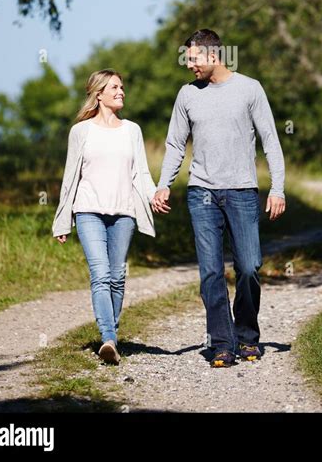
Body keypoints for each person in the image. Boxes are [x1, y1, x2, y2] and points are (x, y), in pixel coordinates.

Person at [152, 29, 286, 367]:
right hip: (201, 193)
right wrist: (163, 184)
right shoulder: (187, 95)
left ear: (213, 55)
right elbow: (174, 145)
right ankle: (223, 343)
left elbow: (271, 140)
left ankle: (247, 336)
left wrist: (278, 188)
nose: (189, 66)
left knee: (249, 267)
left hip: (242, 191)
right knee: (211, 273)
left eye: (193, 59)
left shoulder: (249, 89)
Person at [52, 68, 156, 365]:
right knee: (100, 274)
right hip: (88, 211)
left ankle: (111, 334)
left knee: (118, 276)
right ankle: (108, 338)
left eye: (122, 87)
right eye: (114, 87)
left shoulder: (132, 130)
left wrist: (155, 196)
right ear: (98, 94)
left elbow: (142, 173)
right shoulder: (81, 132)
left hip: (124, 212)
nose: (121, 91)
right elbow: (70, 178)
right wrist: (62, 220)